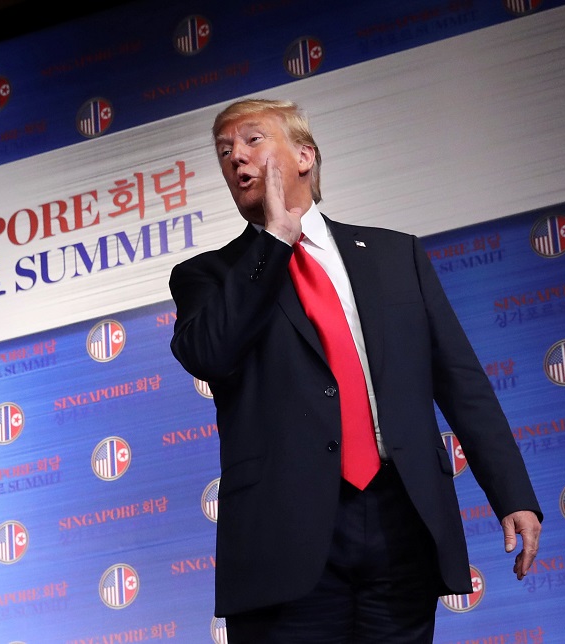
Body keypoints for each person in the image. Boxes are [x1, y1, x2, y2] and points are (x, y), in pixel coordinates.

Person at [168, 98, 543, 642]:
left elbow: (461, 382)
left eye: (252, 140)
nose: (236, 159)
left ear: (304, 156)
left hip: (402, 520)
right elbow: (210, 354)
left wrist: (513, 494)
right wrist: (275, 241)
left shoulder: (395, 256)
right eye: (225, 152)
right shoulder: (206, 276)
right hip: (284, 535)